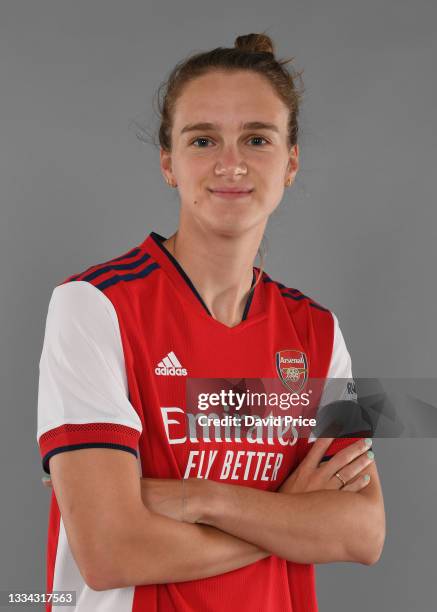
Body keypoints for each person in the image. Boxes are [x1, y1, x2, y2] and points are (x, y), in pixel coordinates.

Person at [37, 32, 385, 612]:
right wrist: (287, 511)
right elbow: (108, 551)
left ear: (291, 162)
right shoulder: (92, 305)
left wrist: (201, 498)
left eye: (257, 138)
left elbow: (362, 533)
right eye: (203, 140)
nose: (231, 163)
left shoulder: (320, 332)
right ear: (169, 164)